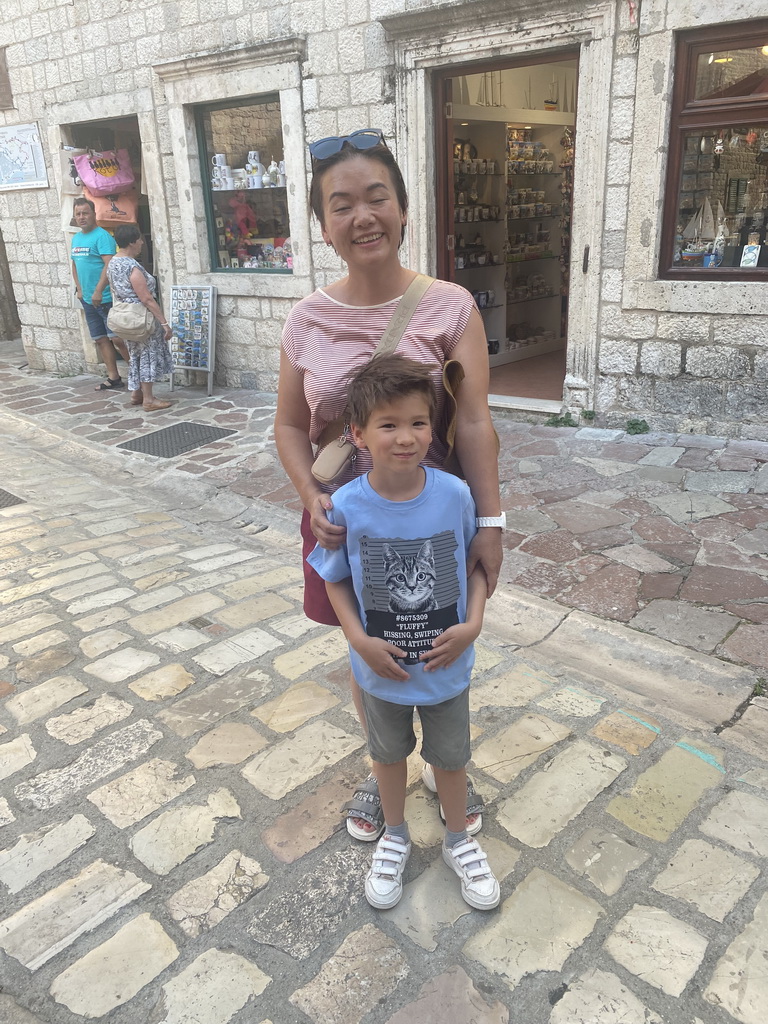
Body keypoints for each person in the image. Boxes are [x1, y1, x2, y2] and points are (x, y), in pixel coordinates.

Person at [274, 128, 504, 843]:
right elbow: (287, 427)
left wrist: (491, 520)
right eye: (341, 205)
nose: (362, 216)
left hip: (433, 518)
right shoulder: (306, 320)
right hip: (349, 517)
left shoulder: (450, 307)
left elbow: (471, 421)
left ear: (404, 209)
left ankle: (446, 764)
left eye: (377, 197)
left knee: (437, 640)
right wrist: (308, 497)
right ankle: (387, 775)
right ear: (323, 227)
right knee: (366, 645)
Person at [308, 355, 499, 911]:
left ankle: (458, 839)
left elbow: (474, 568)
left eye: (417, 423)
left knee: (452, 757)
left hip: (445, 667)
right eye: (388, 425)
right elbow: (336, 582)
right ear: (357, 433)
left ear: (433, 427)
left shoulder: (454, 495)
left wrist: (474, 624)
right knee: (387, 755)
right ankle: (394, 833)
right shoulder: (345, 504)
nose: (404, 437)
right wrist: (359, 642)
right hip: (381, 669)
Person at [106, 224, 174, 411]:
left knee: (134, 354)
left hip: (126, 317)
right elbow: (145, 298)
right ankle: (149, 399)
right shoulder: (131, 266)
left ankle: (136, 393)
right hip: (140, 317)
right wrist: (164, 322)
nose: (142, 243)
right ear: (131, 242)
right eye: (139, 239)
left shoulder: (113, 263)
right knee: (147, 355)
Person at [70, 196, 129, 391]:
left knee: (117, 339)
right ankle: (114, 377)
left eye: (85, 213)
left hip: (104, 297)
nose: (81, 217)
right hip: (88, 300)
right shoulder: (76, 238)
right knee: (100, 339)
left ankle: (137, 375)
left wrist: (97, 290)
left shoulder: (102, 236)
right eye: (78, 214)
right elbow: (75, 265)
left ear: (94, 214)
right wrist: (79, 289)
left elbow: (109, 265)